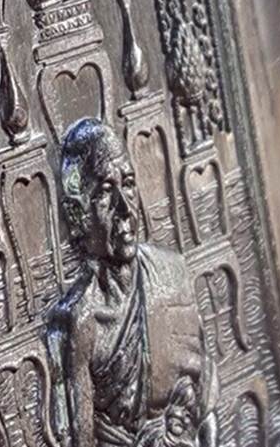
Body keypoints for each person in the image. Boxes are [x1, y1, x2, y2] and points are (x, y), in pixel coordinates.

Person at [47, 118, 218, 447]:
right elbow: (81, 439)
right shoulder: (80, 321)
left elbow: (205, 405)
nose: (124, 207)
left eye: (127, 184)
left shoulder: (172, 274)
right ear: (78, 215)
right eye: (105, 192)